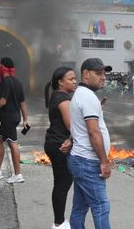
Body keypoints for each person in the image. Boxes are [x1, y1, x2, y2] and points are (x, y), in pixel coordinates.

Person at [68, 58, 112, 229]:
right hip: (88, 162)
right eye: (99, 73)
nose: (103, 77)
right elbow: (93, 132)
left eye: (104, 74)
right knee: (101, 207)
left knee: (79, 208)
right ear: (86, 74)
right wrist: (103, 161)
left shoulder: (83, 95)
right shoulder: (87, 97)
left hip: (80, 160)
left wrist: (98, 106)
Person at [44, 67, 77, 229]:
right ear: (60, 82)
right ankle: (59, 223)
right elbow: (72, 125)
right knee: (62, 184)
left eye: (75, 78)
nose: (74, 81)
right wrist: (71, 139)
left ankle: (59, 222)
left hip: (53, 143)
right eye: (71, 79)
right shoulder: (63, 98)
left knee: (60, 184)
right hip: (60, 145)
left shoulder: (57, 96)